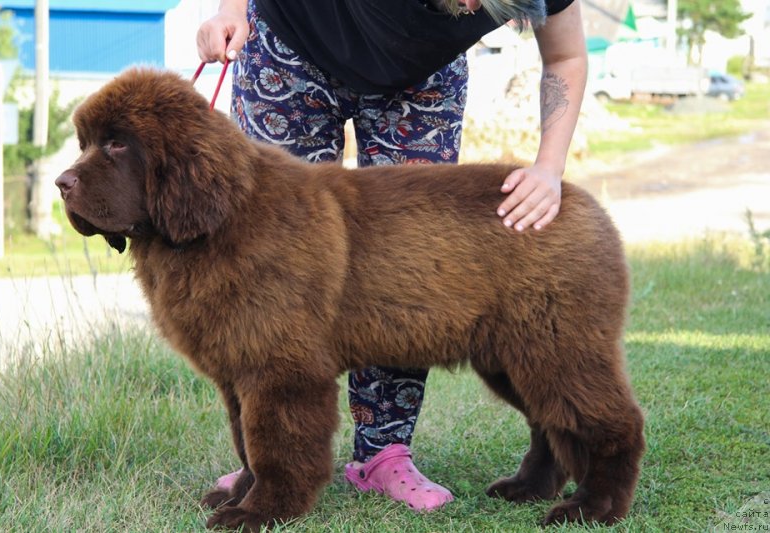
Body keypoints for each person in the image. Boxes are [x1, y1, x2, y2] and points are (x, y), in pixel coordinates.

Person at [197, 0, 587, 512]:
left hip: (419, 73)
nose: (471, 9)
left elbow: (566, 57)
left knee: (409, 270)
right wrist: (230, 10)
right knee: (270, 265)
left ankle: (384, 454)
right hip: (292, 43)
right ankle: (266, 461)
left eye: (486, 6)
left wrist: (549, 168)